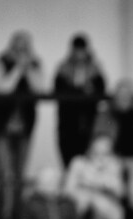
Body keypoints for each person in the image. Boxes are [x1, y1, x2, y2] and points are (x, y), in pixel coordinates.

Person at [0, 31, 44, 219]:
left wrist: (28, 68)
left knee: (20, 175)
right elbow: (3, 88)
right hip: (3, 127)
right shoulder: (1, 61)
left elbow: (40, 89)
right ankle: (3, 217)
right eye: (18, 46)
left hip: (25, 128)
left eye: (25, 46)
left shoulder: (35, 63)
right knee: (5, 175)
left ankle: (18, 217)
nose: (21, 50)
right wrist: (18, 68)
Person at [53, 34, 107, 167]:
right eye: (76, 50)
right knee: (67, 155)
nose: (79, 54)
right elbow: (58, 90)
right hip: (67, 121)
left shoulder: (94, 68)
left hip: (88, 120)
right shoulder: (63, 68)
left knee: (87, 154)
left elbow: (100, 90)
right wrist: (82, 90)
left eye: (81, 50)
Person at [92, 78, 133, 171]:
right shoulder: (105, 116)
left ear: (132, 98)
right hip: (111, 162)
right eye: (121, 95)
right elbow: (98, 142)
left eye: (127, 95)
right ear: (115, 97)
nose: (124, 98)